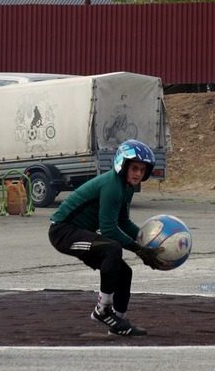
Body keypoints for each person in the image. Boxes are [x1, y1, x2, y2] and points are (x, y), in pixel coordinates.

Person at [48, 139, 162, 336]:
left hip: (81, 233)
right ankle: (102, 310)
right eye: (134, 168)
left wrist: (146, 241)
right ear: (122, 164)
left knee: (124, 272)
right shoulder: (112, 186)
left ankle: (119, 321)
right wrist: (138, 249)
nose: (138, 173)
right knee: (113, 248)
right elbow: (109, 229)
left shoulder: (125, 187)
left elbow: (123, 222)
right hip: (62, 232)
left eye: (142, 170)